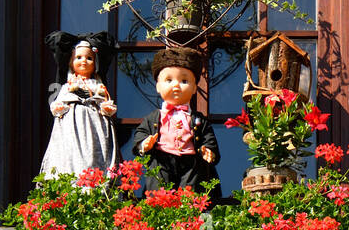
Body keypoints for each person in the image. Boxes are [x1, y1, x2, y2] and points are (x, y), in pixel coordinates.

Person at [132, 46, 220, 196]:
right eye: (168, 80)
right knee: (160, 188)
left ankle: (189, 211)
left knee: (190, 190)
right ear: (158, 87)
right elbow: (141, 134)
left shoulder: (198, 119)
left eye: (184, 80)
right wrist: (144, 144)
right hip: (162, 159)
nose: (176, 85)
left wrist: (208, 150)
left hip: (191, 161)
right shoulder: (154, 117)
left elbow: (208, 137)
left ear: (194, 88)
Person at [40, 31, 117, 180]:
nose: (84, 61)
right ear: (71, 62)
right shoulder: (68, 85)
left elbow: (105, 100)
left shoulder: (97, 85)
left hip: (95, 123)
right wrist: (59, 107)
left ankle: (95, 178)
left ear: (95, 63)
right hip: (71, 125)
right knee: (70, 154)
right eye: (79, 57)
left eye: (89, 58)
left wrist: (106, 107)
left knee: (95, 153)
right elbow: (59, 102)